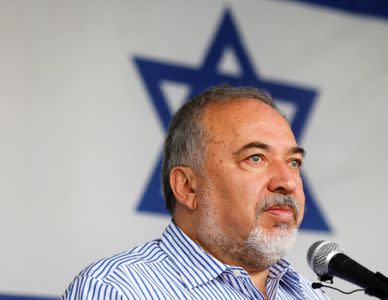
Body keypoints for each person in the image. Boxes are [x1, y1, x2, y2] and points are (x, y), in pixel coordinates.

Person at [62, 85, 329, 300]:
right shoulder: (116, 290)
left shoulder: (310, 295)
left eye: (294, 163)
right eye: (256, 158)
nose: (288, 182)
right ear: (188, 187)